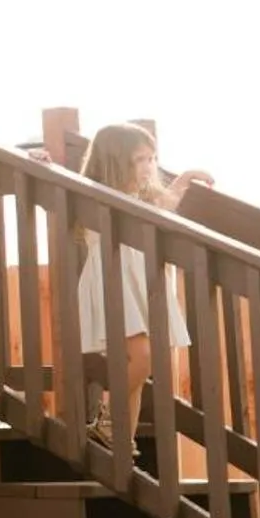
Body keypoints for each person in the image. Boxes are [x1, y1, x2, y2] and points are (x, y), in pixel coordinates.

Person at [74, 123, 213, 445]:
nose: (149, 166)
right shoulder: (93, 196)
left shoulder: (140, 197)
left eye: (152, 158)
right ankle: (107, 421)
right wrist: (42, 161)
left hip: (140, 281)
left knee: (135, 367)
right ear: (114, 161)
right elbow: (56, 190)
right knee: (143, 355)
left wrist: (184, 179)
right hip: (114, 281)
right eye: (140, 159)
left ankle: (118, 437)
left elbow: (166, 204)